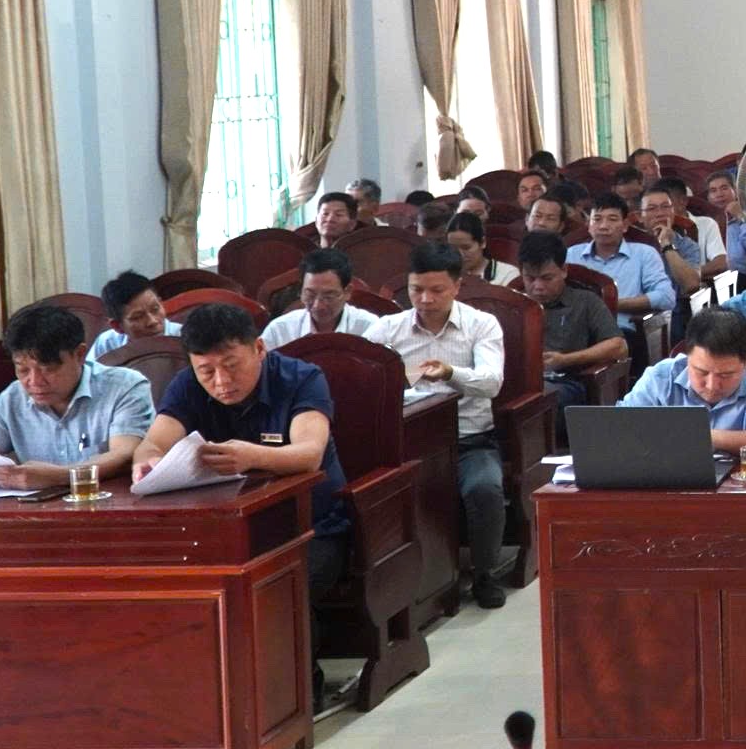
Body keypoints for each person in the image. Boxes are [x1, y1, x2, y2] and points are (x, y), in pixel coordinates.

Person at [131, 303, 348, 708]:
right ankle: (203, 699)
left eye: (231, 365)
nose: (221, 382)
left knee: (275, 588)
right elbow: (153, 443)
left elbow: (309, 454)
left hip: (309, 528)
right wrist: (148, 461)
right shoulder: (186, 385)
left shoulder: (302, 379)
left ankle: (294, 694)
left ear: (259, 349)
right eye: (207, 371)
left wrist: (251, 456)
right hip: (224, 533)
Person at [364, 243, 510, 609]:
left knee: (485, 490)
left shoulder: (481, 325)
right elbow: (363, 381)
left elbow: (492, 382)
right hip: (406, 447)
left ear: (457, 286)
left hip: (470, 441)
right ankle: (398, 590)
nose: (425, 299)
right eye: (417, 289)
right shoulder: (387, 329)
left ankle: (484, 574)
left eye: (437, 290)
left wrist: (450, 373)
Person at [0, 303, 152, 491]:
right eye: (23, 370)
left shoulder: (124, 387)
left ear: (79, 354)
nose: (34, 381)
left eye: (48, 368)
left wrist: (58, 476)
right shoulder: (13, 397)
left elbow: (124, 454)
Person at [621, 307, 746, 456]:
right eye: (701, 372)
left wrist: (692, 436)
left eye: (725, 375)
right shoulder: (660, 377)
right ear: (687, 356)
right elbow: (623, 425)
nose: (712, 386)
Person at [517, 231, 625, 411]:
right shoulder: (512, 305)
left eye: (546, 278)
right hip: (517, 382)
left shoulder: (585, 301)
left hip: (564, 383)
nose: (538, 287)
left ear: (564, 270)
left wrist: (565, 360)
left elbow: (618, 347)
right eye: (530, 278)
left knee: (537, 400)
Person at [568, 191, 679, 329]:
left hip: (623, 331)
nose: (603, 226)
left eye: (612, 219)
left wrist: (614, 304)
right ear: (589, 226)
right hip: (578, 331)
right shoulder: (571, 255)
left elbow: (666, 297)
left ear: (625, 225)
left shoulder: (644, 254)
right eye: (597, 219)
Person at [261, 250, 384, 348]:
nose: (317, 306)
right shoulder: (280, 330)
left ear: (347, 292)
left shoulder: (369, 327)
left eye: (328, 297)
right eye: (310, 295)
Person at [89, 270, 181, 360]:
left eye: (155, 309)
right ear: (117, 326)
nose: (152, 321)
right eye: (138, 317)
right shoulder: (107, 344)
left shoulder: (182, 337)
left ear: (161, 303)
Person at [706, 170, 746, 273]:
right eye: (713, 191)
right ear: (708, 197)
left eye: (724, 188)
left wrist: (741, 217)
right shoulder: (706, 224)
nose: (719, 194)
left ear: (735, 191)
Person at [444, 211, 518, 287]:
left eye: (466, 248)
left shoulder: (508, 275)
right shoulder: (442, 274)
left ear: (483, 242)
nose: (460, 254)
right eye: (453, 248)